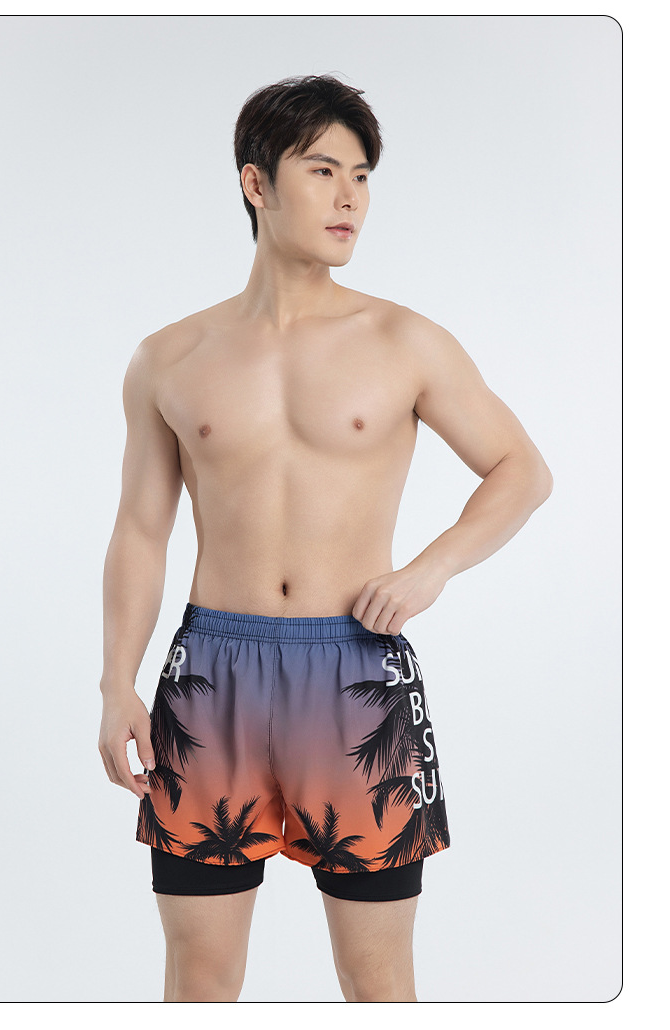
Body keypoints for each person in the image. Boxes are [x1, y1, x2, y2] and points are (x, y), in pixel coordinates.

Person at [97, 73, 553, 1003]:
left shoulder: (404, 342)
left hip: (355, 673)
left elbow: (521, 470)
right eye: (322, 170)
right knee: (200, 978)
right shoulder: (169, 357)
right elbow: (141, 530)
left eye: (362, 175)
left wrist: (431, 569)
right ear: (255, 183)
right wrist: (116, 684)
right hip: (209, 678)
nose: (351, 197)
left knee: (375, 979)